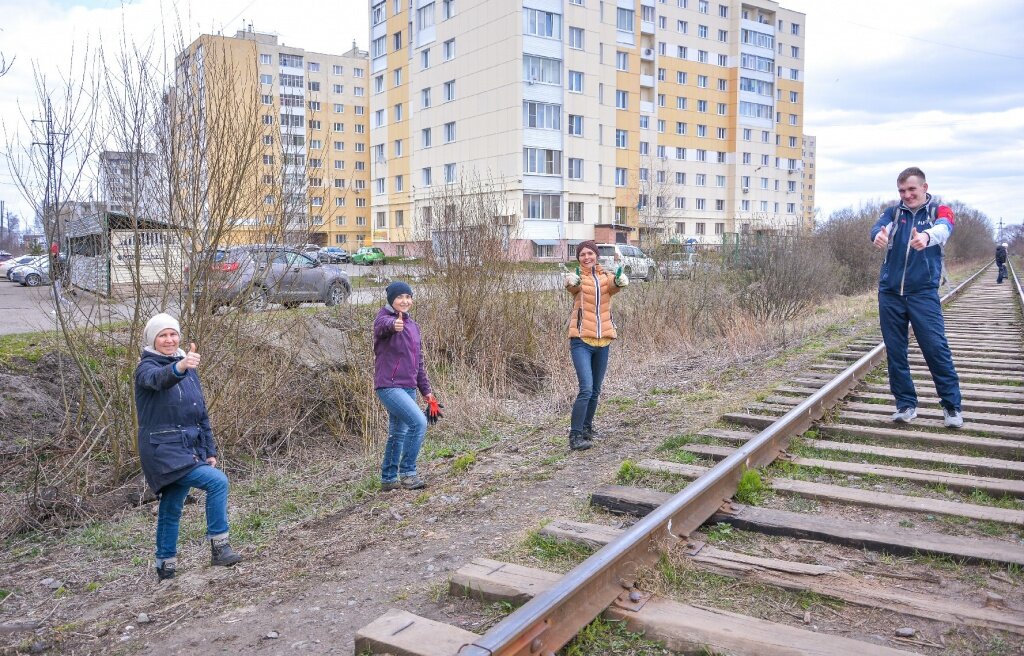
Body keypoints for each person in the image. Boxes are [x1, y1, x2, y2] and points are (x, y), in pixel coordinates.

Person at [135, 313, 242, 580]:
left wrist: (209, 450)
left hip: (187, 449)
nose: (169, 340)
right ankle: (220, 547)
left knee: (172, 505)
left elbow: (200, 413)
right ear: (153, 339)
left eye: (173, 334)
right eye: (163, 335)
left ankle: (165, 565)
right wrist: (179, 367)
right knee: (218, 483)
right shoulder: (146, 368)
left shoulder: (187, 366)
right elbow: (160, 379)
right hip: (162, 451)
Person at [871, 167, 963, 428]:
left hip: (923, 293)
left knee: (935, 349)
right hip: (890, 293)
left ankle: (951, 406)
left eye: (911, 189)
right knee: (896, 352)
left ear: (924, 187)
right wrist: (878, 235)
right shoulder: (893, 212)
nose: (906, 195)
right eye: (902, 191)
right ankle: (905, 404)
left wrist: (926, 236)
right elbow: (878, 227)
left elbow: (945, 228)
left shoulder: (939, 210)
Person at [563, 240, 629, 451]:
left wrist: (620, 281)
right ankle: (575, 436)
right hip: (581, 341)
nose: (586, 257)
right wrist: (571, 281)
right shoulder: (577, 278)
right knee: (586, 388)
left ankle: (587, 428)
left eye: (590, 253)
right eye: (582, 254)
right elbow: (572, 287)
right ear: (578, 258)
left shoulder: (605, 277)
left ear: (596, 255)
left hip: (603, 341)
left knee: (596, 390)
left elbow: (614, 287)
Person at [374, 281, 437, 491]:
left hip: (409, 386)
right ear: (391, 299)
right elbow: (383, 327)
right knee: (418, 423)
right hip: (389, 386)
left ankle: (388, 478)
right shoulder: (384, 319)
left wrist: (427, 392)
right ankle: (408, 473)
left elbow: (418, 362)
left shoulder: (413, 326)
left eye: (408, 297)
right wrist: (393, 326)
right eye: (400, 297)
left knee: (398, 432)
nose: (405, 301)